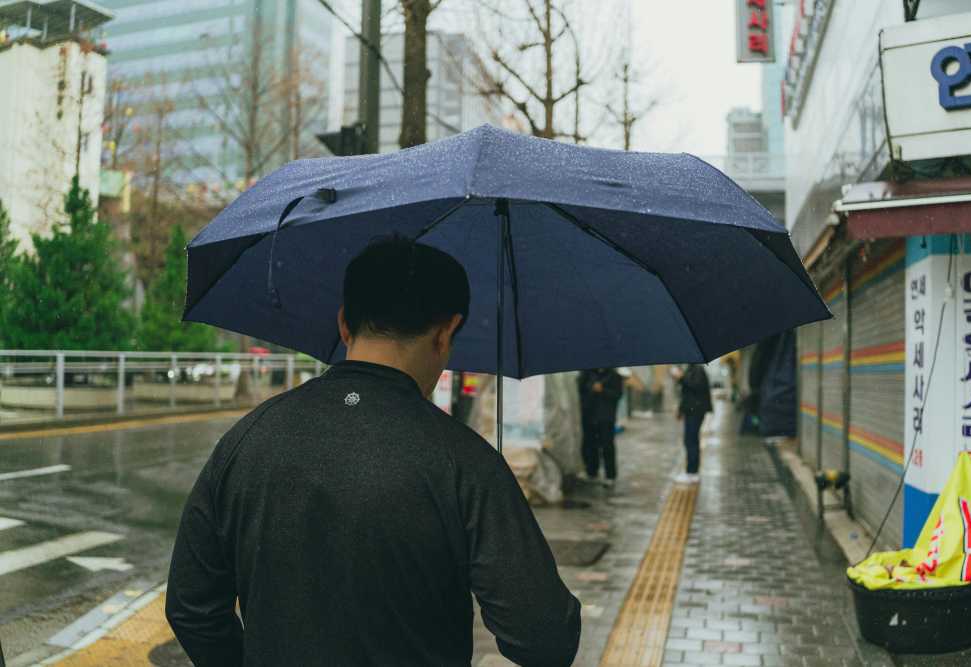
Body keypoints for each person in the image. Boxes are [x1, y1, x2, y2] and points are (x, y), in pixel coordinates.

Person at [166, 238, 581, 667]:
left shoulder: (247, 438)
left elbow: (190, 608)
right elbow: (545, 635)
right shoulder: (465, 461)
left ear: (344, 323)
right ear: (447, 331)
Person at [577, 368, 624, 489]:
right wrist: (591, 389)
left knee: (607, 446)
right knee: (590, 445)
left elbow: (617, 395)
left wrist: (603, 390)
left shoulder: (614, 376)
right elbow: (581, 391)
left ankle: (610, 476)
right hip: (589, 415)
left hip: (606, 417)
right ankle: (591, 472)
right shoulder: (587, 374)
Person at [671, 364, 712, 484]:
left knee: (691, 440)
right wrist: (680, 410)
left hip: (696, 410)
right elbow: (686, 393)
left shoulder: (697, 369)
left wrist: (681, 378)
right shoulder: (691, 369)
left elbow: (696, 386)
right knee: (690, 440)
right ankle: (691, 471)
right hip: (691, 410)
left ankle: (692, 473)